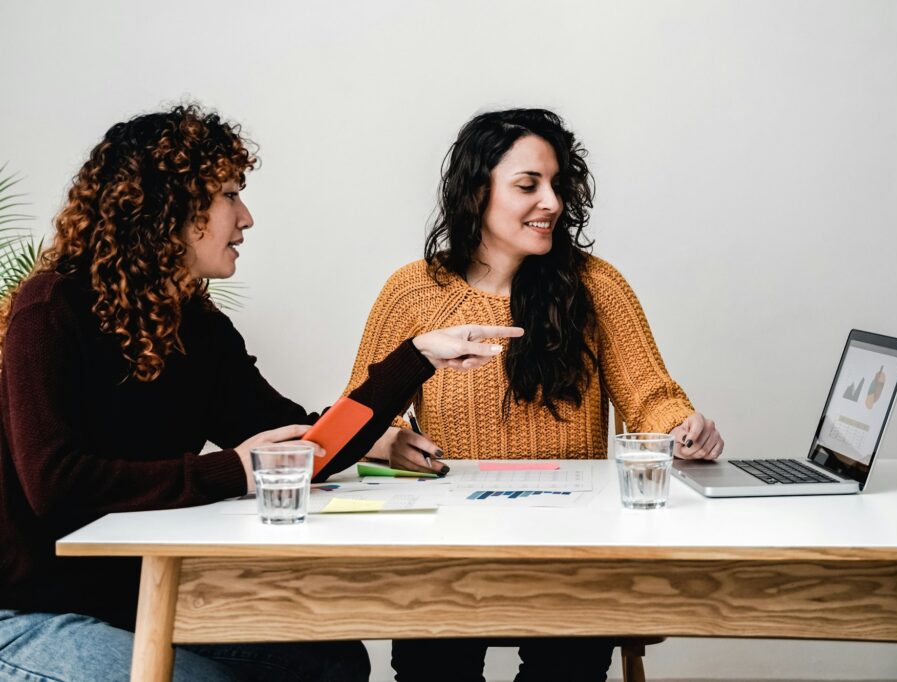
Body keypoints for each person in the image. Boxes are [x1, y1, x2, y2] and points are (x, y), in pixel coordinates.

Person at [0, 104, 522, 682]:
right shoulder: (50, 308)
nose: (246, 217)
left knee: (333, 662)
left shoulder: (197, 325)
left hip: (136, 599)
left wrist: (418, 356)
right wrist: (238, 471)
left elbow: (306, 446)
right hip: (29, 610)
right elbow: (54, 486)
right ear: (168, 205)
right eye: (228, 194)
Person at [341, 108, 724, 681]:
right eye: (528, 185)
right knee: (431, 667)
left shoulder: (597, 286)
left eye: (557, 185)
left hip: (571, 549)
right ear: (476, 193)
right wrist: (391, 441)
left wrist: (682, 425)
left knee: (568, 669)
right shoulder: (412, 292)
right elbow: (355, 416)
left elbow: (651, 396)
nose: (552, 202)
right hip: (448, 550)